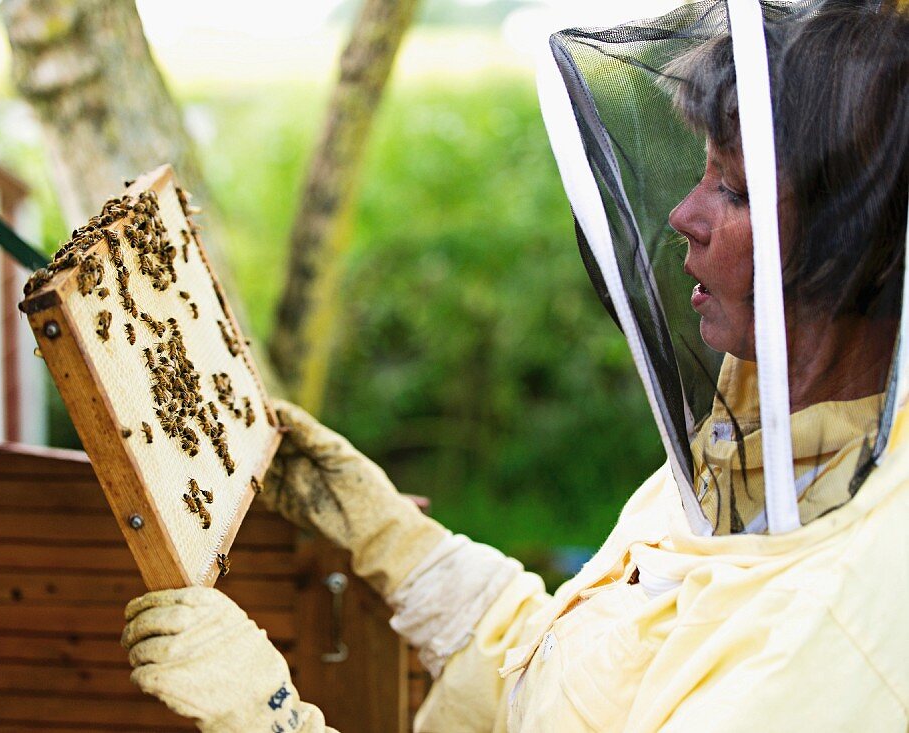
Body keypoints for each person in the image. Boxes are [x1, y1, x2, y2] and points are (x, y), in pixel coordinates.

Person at [119, 1, 909, 730]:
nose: (682, 215)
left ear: (850, 245)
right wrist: (396, 542)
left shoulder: (842, 626)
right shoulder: (765, 434)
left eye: (733, 190)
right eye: (702, 170)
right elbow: (570, 679)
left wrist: (274, 719)